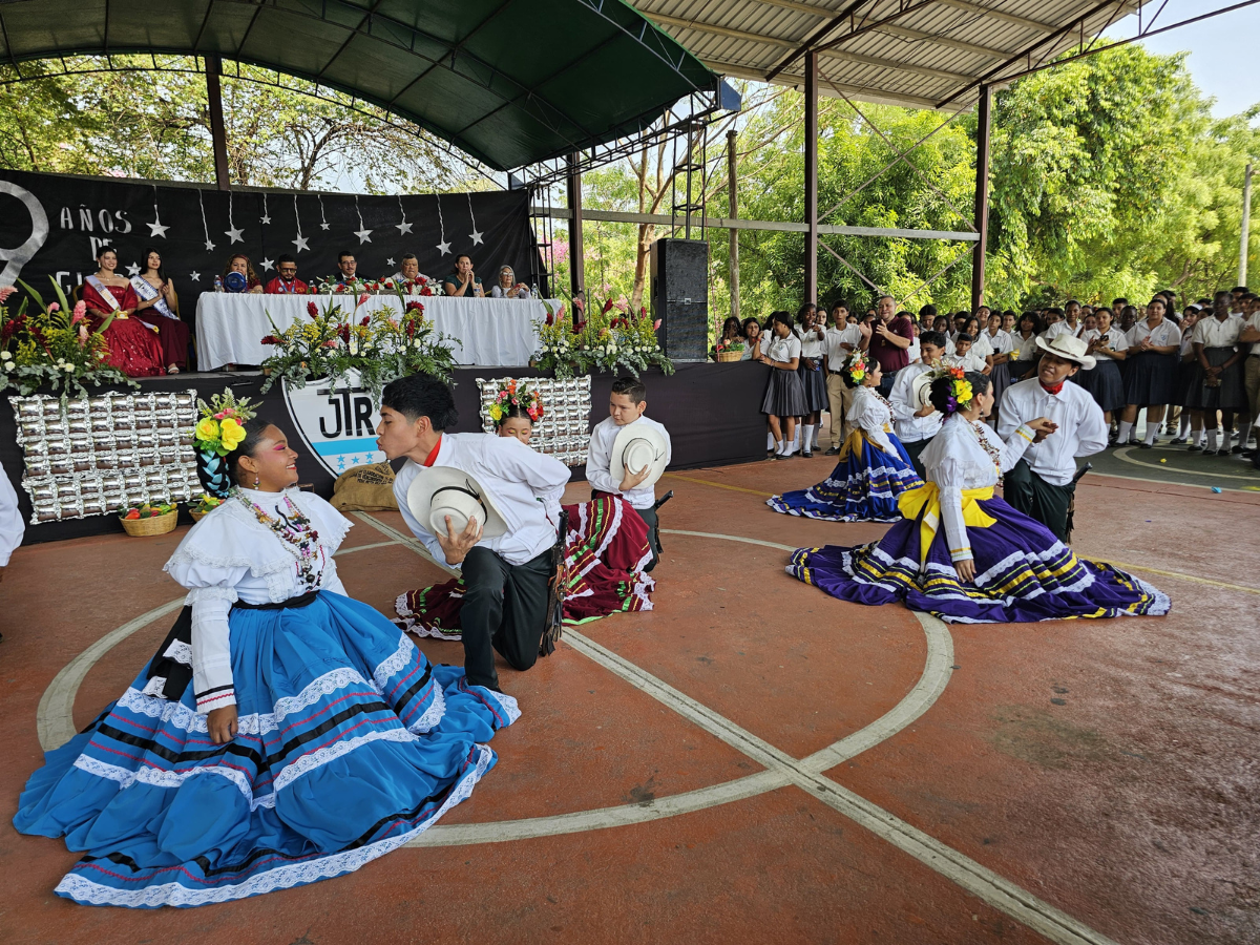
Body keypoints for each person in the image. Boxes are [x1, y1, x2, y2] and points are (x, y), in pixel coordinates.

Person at [12, 393, 517, 907]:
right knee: (281, 747)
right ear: (248, 464)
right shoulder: (226, 526)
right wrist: (218, 698)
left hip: (319, 626)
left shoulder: (307, 505)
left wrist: (358, 643)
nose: (293, 454)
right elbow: (207, 615)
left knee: (375, 717)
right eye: (280, 448)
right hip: (263, 646)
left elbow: (326, 574)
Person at [784, 371, 1169, 623]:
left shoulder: (974, 428)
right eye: (990, 393)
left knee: (1042, 544)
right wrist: (961, 552)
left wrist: (1027, 431)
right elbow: (950, 496)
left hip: (986, 506)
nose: (993, 398)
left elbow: (999, 464)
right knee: (1022, 562)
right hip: (964, 517)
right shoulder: (954, 437)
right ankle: (970, 560)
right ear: (977, 398)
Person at [397, 382, 654, 636]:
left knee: (611, 510)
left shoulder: (528, 457)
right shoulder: (489, 454)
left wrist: (542, 507)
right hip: (496, 539)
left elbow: (553, 490)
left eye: (525, 432)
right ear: (498, 431)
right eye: (511, 432)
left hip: (540, 525)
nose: (519, 439)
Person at [378, 373, 568, 690]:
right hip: (484, 551)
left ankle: (499, 614)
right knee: (484, 586)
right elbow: (432, 541)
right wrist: (451, 555)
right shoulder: (405, 486)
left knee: (523, 659)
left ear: (420, 426)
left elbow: (556, 476)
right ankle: (481, 684)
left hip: (531, 548)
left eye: (387, 421)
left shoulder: (487, 449)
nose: (379, 431)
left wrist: (549, 520)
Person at [768, 351, 922, 521]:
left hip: (880, 439)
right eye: (878, 371)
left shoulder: (869, 393)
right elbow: (874, 431)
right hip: (876, 444)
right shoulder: (865, 400)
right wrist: (893, 452)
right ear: (867, 376)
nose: (881, 374)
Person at [998, 334, 1108, 543]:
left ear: (1073, 370)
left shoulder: (1081, 399)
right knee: (1016, 525)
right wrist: (1029, 436)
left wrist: (1064, 450)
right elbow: (1005, 435)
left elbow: (1097, 440)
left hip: (1056, 474)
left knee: (1052, 541)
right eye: (1047, 357)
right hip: (1023, 464)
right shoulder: (1015, 393)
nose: (1049, 365)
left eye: (1059, 362)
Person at [586, 376, 672, 570]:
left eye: (623, 408)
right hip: (609, 499)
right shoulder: (602, 430)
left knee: (646, 563)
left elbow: (662, 462)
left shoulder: (657, 431)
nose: (615, 413)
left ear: (641, 406)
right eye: (612, 405)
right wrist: (620, 485)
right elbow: (593, 473)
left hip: (642, 501)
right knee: (606, 560)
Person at [80, 245, 165, 377]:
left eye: (114, 258)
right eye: (107, 258)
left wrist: (125, 313)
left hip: (124, 316)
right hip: (101, 317)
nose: (111, 261)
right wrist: (104, 315)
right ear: (98, 260)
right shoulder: (92, 281)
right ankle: (113, 368)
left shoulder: (124, 280)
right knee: (112, 327)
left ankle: (141, 366)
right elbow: (89, 302)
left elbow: (132, 303)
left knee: (140, 329)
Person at [1116, 296, 1182, 449]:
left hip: (1161, 365)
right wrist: (1141, 348)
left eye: (1159, 308)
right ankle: (1121, 437)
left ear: (1164, 311)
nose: (1154, 311)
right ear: (1147, 310)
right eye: (1152, 308)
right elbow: (1126, 347)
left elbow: (1173, 348)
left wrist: (1153, 348)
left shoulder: (1171, 327)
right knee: (1131, 401)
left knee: (1155, 402)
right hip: (1139, 364)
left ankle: (1148, 438)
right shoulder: (1138, 326)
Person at [1188, 290, 1247, 456]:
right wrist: (1209, 370)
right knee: (1208, 405)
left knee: (1227, 405)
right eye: (1216, 302)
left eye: (1223, 303)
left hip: (1230, 363)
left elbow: (1241, 350)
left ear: (1230, 304)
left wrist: (1221, 368)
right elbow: (1198, 349)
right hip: (1207, 359)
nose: (1219, 306)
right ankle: (1211, 444)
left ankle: (1226, 444)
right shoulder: (1203, 323)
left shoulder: (1238, 322)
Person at [889, 330, 947, 479]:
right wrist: (915, 413)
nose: (923, 354)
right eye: (922, 349)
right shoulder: (907, 372)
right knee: (915, 481)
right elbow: (893, 404)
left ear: (942, 350)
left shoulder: (949, 373)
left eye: (929, 350)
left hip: (935, 432)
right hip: (910, 434)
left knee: (940, 478)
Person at [131, 247, 190, 374]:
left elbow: (173, 308)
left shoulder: (166, 280)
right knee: (167, 324)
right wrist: (157, 297)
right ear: (145, 259)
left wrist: (168, 294)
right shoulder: (137, 280)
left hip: (164, 314)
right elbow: (137, 306)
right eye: (151, 257)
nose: (155, 261)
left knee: (182, 326)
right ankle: (170, 363)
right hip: (147, 316)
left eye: (157, 258)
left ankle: (180, 363)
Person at [759, 312, 807, 459]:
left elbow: (794, 365)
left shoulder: (795, 341)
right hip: (775, 377)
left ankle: (790, 446)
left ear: (785, 325)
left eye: (777, 324)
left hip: (788, 379)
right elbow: (767, 355)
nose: (774, 327)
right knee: (772, 416)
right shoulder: (776, 339)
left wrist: (772, 363)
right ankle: (780, 445)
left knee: (788, 415)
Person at [1075, 306, 1127, 428]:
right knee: (1089, 404)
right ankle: (1089, 433)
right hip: (1089, 368)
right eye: (1098, 318)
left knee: (1106, 405)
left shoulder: (1118, 335)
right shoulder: (1088, 334)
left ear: (1111, 318)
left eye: (1104, 317)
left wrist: (1107, 352)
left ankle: (1105, 436)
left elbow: (1122, 356)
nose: (1101, 320)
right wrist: (1094, 347)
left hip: (1108, 369)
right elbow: (1080, 354)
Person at [824, 300, 863, 454]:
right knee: (834, 412)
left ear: (847, 313)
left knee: (849, 411)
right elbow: (825, 355)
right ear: (832, 313)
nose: (839, 314)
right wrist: (828, 375)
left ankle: (849, 443)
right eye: (836, 311)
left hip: (850, 374)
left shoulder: (855, 330)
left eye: (842, 311)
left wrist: (851, 347)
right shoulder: (829, 333)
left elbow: (862, 349)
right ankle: (834, 443)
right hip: (833, 374)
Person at [795, 306, 828, 457]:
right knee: (801, 406)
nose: (811, 316)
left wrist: (818, 330)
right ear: (802, 314)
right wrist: (804, 360)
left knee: (814, 406)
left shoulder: (820, 328)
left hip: (815, 367)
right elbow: (794, 348)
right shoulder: (795, 328)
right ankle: (798, 444)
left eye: (814, 314)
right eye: (807, 313)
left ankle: (809, 444)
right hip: (801, 366)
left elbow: (821, 338)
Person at [868, 296, 914, 396]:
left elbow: (906, 344)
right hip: (875, 376)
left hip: (896, 377)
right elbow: (862, 348)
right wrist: (867, 337)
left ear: (895, 307)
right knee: (877, 409)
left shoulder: (903, 323)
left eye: (888, 305)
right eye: (881, 306)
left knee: (896, 408)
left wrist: (886, 333)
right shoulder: (873, 324)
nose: (884, 309)